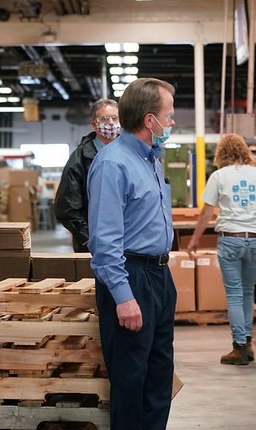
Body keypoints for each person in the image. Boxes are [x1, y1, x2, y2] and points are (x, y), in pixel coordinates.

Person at [87, 78, 177, 430]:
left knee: (159, 374)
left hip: (158, 276)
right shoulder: (113, 164)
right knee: (130, 378)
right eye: (168, 117)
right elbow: (105, 241)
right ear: (149, 120)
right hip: (131, 277)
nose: (171, 124)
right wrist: (123, 297)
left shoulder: (151, 160)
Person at [186, 133, 256, 366]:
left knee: (235, 295)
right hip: (255, 239)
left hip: (230, 240)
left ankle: (239, 349)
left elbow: (206, 212)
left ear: (221, 153)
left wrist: (195, 239)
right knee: (248, 292)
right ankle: (247, 343)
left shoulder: (218, 176)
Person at [54, 98, 119, 251]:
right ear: (94, 124)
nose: (110, 123)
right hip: (94, 245)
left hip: (128, 241)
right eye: (104, 119)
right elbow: (66, 206)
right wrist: (87, 238)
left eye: (115, 118)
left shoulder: (130, 153)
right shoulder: (80, 158)